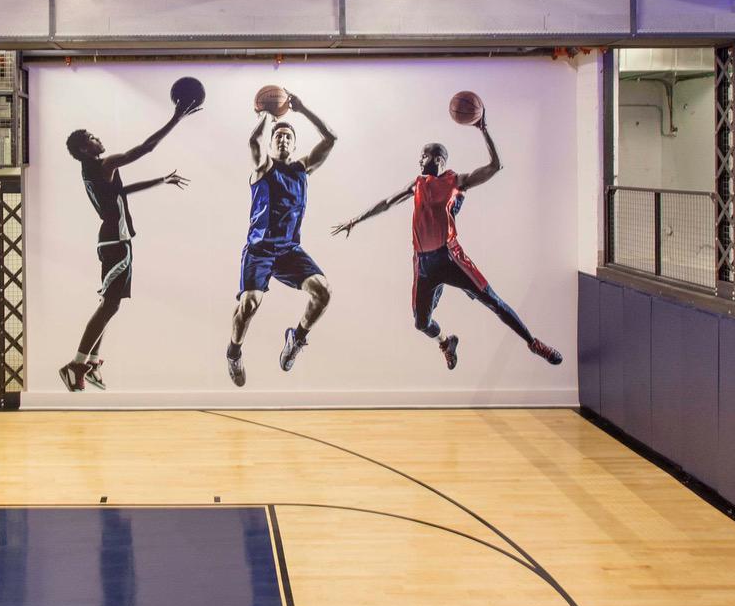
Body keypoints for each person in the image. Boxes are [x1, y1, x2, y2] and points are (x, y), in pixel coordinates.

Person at [331, 109, 562, 369]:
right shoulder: (417, 184)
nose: (419, 161)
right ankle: (445, 342)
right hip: (424, 264)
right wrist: (356, 220)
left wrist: (483, 129)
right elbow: (386, 203)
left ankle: (533, 343)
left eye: (424, 156)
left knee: (493, 302)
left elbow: (495, 166)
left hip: (451, 257)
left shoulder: (457, 181)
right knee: (421, 323)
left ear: (438, 158)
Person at [60, 97, 198, 391]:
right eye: (92, 138)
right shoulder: (103, 164)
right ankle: (76, 363)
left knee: (112, 305)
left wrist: (161, 180)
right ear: (85, 148)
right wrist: (176, 118)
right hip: (115, 241)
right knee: (109, 304)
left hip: (114, 239)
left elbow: (122, 193)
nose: (98, 139)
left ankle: (92, 361)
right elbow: (145, 148)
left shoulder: (97, 170)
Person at [228, 93, 336, 386]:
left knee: (323, 291)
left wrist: (303, 109)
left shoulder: (302, 169)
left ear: (295, 144)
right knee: (249, 305)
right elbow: (254, 142)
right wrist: (267, 114)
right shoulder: (264, 167)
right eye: (279, 137)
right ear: (272, 143)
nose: (283, 140)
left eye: (288, 137)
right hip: (260, 250)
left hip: (288, 250)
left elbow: (330, 138)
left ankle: (296, 338)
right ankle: (234, 352)